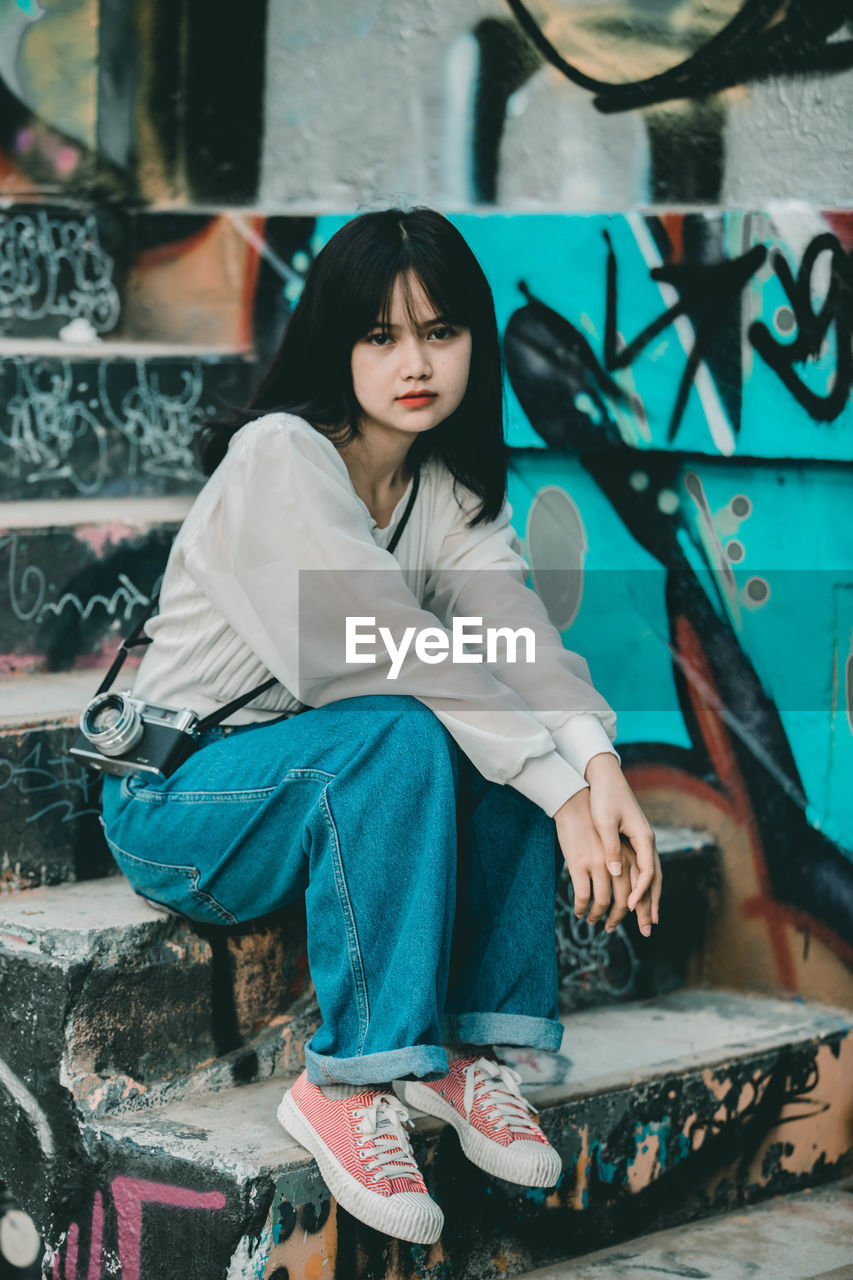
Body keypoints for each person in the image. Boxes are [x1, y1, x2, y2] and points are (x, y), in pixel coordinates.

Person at [99, 207, 662, 1245]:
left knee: (478, 710)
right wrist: (558, 788)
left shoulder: (443, 487)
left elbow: (515, 638)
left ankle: (457, 1051)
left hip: (316, 781)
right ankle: (350, 1083)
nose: (416, 362)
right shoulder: (281, 455)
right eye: (382, 335)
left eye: (441, 333)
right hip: (179, 797)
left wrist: (597, 766)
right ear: (337, 342)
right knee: (414, 723)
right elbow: (379, 644)